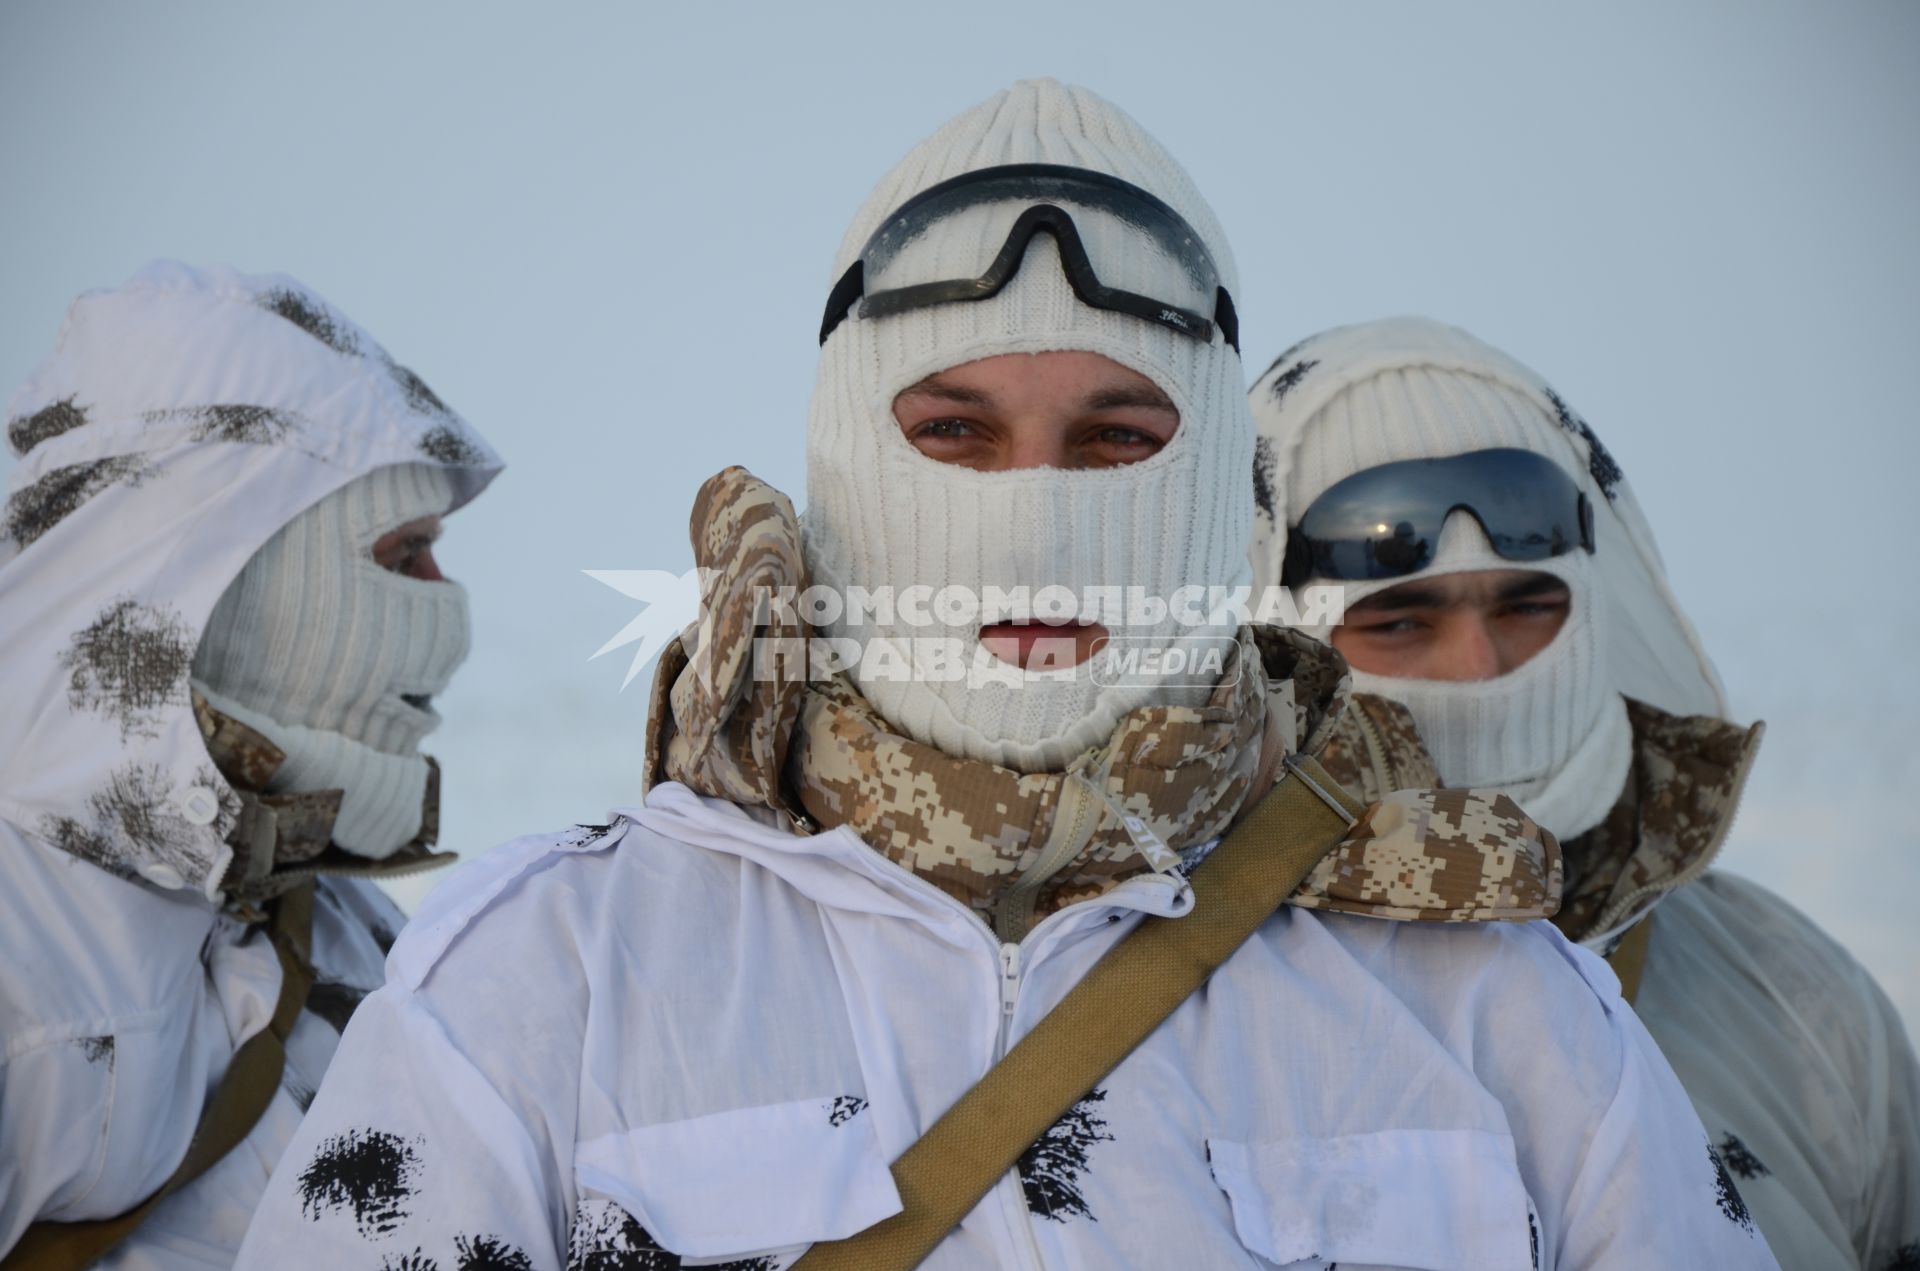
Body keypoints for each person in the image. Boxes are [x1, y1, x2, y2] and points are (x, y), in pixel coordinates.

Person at [239, 82, 1775, 1269]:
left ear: (1215, 487)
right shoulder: (552, 974)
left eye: (1117, 437)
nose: (1037, 510)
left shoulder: (1489, 993)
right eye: (955, 433)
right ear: (846, 462)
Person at [1249, 315, 1920, 1271]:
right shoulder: (1175, 1006)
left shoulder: (1799, 1004)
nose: (1480, 666)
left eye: (1527, 605)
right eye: (1400, 621)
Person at [0, 261, 501, 1266]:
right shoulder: (19, 945)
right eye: (402, 557)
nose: (448, 607)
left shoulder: (334, 919)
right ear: (222, 574)